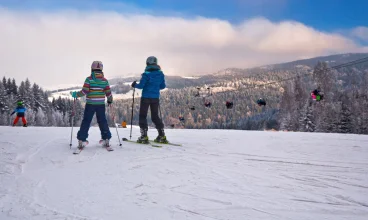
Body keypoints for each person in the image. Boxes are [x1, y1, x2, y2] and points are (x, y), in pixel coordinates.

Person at [70, 61, 113, 149]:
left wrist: (75, 94)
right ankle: (106, 138)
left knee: (86, 121)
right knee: (102, 121)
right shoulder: (104, 81)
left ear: (92, 69)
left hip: (90, 104)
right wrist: (110, 100)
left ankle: (82, 140)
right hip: (100, 104)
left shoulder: (89, 79)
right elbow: (108, 92)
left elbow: (84, 92)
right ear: (101, 69)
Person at [131, 56, 168, 144]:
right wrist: (155, 86)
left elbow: (141, 86)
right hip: (155, 98)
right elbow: (162, 86)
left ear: (147, 63)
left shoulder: (146, 74)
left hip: (146, 97)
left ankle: (144, 136)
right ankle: (161, 135)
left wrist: (134, 85)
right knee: (155, 116)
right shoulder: (160, 74)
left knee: (143, 116)